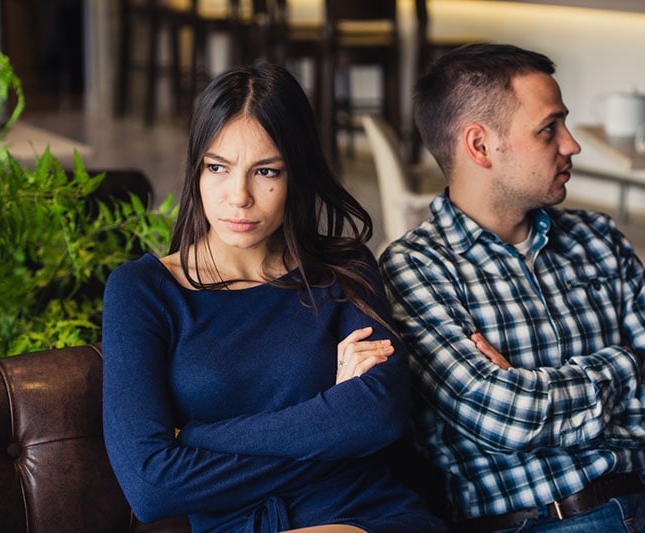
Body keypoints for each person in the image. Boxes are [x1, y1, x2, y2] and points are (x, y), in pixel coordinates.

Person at [379, 43, 645, 532]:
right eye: (549, 129)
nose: (571, 144)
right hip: (537, 522)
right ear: (480, 146)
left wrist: (538, 387)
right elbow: (508, 418)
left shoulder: (598, 237)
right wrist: (627, 360)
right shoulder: (415, 268)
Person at [102, 63, 447, 533]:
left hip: (372, 514)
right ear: (196, 170)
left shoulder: (344, 267)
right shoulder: (142, 291)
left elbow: (379, 418)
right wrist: (334, 422)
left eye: (266, 171)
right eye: (218, 167)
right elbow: (151, 486)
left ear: (296, 174)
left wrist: (201, 439)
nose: (238, 196)